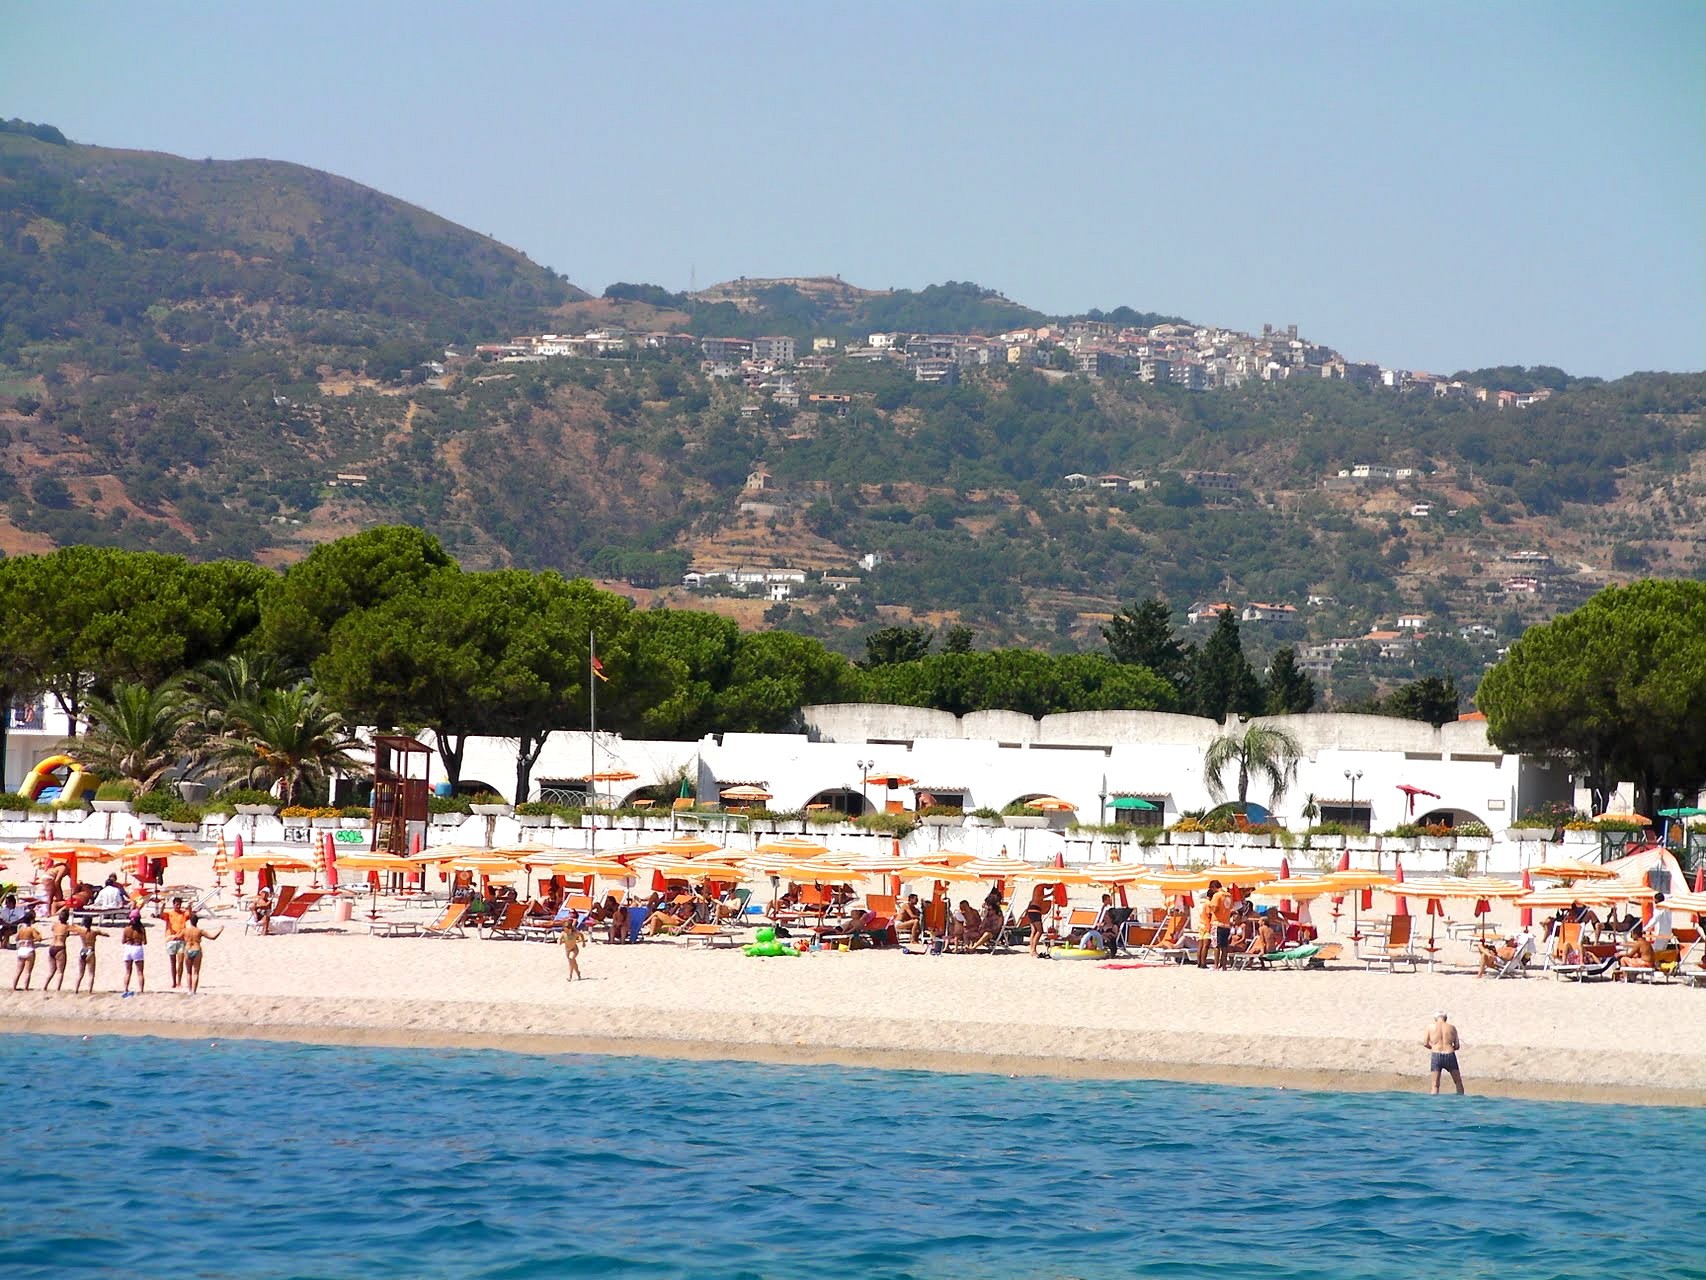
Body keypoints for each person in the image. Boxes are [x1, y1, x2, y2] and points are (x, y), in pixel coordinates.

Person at [1423, 1010, 1465, 1095]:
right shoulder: (1452, 1028)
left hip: (1436, 1055)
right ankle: (1460, 1102)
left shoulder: (1430, 1027)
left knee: (1435, 1085)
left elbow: (1425, 1043)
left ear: (1435, 1019)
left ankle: (1434, 1106)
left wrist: (1433, 1047)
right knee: (1458, 1082)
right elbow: (1457, 1046)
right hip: (1449, 1054)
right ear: (1445, 1018)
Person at [182, 914, 223, 994]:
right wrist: (220, 930)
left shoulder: (185, 930)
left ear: (190, 921)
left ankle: (189, 991)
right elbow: (213, 937)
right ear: (197, 921)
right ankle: (194, 991)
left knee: (188, 972)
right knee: (196, 972)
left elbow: (176, 937)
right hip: (196, 949)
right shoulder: (200, 931)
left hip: (187, 949)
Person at [161, 896, 191, 989]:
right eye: (176, 904)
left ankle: (179, 982)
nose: (178, 906)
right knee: (172, 962)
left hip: (181, 940)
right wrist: (163, 904)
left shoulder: (183, 914)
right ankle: (174, 982)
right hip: (171, 940)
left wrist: (190, 905)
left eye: (179, 904)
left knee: (181, 962)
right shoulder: (169, 914)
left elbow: (190, 914)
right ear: (173, 904)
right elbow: (161, 914)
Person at [45, 908, 74, 992]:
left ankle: (45, 986)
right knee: (60, 972)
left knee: (51, 971)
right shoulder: (67, 927)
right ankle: (58, 989)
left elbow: (54, 930)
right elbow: (72, 931)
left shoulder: (54, 925)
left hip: (52, 947)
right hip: (60, 947)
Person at [72, 918, 103, 994]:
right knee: (91, 974)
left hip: (83, 950)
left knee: (80, 974)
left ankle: (76, 990)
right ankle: (89, 991)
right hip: (90, 951)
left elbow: (73, 931)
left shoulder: (80, 931)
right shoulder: (94, 932)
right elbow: (106, 934)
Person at [11, 911, 41, 990]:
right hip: (29, 949)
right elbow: (39, 938)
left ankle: (14, 987)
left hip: (21, 950)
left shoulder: (21, 929)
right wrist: (38, 935)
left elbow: (17, 938)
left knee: (18, 970)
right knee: (27, 971)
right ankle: (25, 988)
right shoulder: (31, 929)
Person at [120, 914, 147, 997]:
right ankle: (141, 990)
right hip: (137, 948)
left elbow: (123, 941)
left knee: (128, 971)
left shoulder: (126, 929)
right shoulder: (141, 929)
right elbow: (145, 942)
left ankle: (125, 989)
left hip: (128, 948)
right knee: (140, 972)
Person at [1021, 885, 1049, 958]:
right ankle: (1033, 950)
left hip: (1032, 909)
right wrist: (1051, 894)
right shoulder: (1039, 887)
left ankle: (1031, 950)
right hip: (1035, 910)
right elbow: (1038, 898)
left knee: (1034, 931)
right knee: (1040, 931)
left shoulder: (1038, 887)